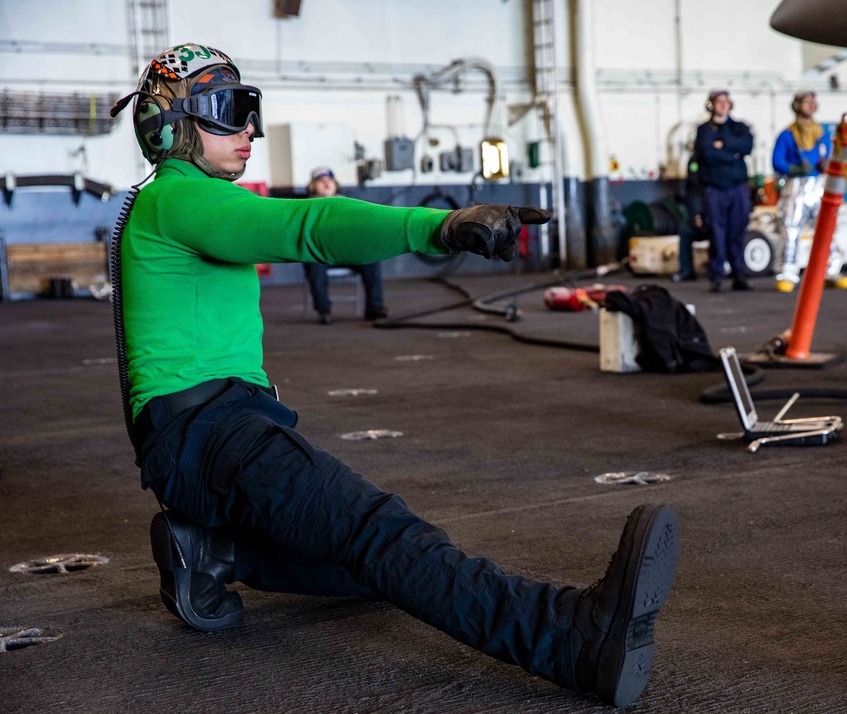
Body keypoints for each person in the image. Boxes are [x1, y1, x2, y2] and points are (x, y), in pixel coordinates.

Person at [113, 43, 679, 708]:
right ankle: (573, 639)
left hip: (203, 438)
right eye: (226, 111)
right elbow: (311, 224)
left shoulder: (181, 203)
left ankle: (208, 553)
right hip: (211, 433)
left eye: (250, 111)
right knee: (385, 537)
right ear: (171, 124)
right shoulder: (176, 203)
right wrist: (439, 227)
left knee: (363, 565)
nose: (247, 130)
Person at [771, 90, 847, 292]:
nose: (811, 106)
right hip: (796, 187)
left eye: (813, 102)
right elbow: (777, 161)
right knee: (791, 229)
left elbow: (828, 155)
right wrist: (794, 169)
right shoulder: (787, 135)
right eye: (806, 102)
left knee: (826, 227)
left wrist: (826, 164)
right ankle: (787, 273)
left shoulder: (821, 133)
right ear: (797, 106)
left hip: (818, 186)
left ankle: (831, 270)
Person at [302, 166, 389, 322]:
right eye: (321, 181)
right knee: (313, 263)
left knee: (372, 258)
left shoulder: (347, 204)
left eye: (330, 181)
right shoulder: (305, 207)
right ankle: (324, 310)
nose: (326, 184)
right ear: (313, 186)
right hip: (320, 254)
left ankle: (375, 307)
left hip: (346, 252)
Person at [692, 89, 754, 293]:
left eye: (726, 102)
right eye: (719, 102)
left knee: (737, 231)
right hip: (714, 189)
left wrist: (724, 144)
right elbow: (707, 153)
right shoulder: (704, 131)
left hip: (737, 188)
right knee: (717, 233)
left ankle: (739, 275)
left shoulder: (739, 127)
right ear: (711, 105)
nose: (723, 105)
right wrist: (732, 153)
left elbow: (746, 147)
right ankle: (716, 276)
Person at [672, 156, 708, 283]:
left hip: (717, 217)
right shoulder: (695, 161)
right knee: (685, 231)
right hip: (702, 215)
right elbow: (693, 187)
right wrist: (697, 216)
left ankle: (723, 269)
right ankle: (686, 271)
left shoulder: (720, 160)